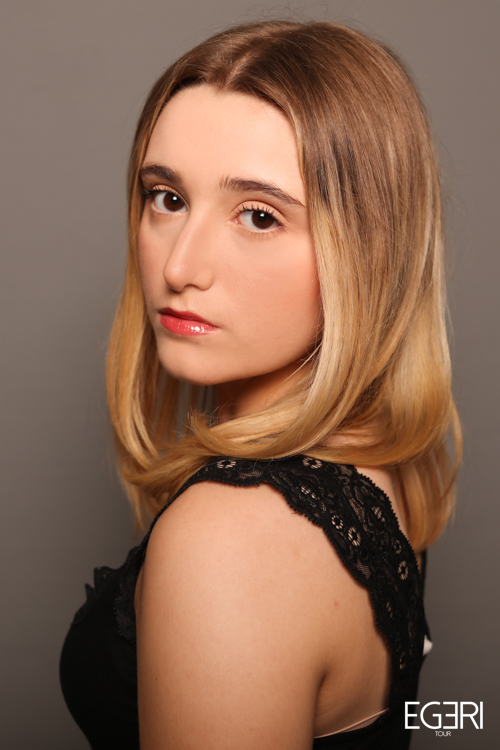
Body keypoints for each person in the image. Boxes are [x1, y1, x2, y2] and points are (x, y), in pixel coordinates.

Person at [60, 19, 461, 749]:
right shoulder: (372, 466)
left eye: (257, 215)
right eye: (166, 198)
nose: (180, 266)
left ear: (367, 253)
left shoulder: (229, 539)